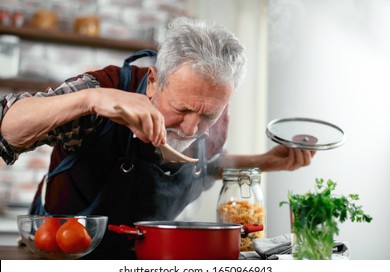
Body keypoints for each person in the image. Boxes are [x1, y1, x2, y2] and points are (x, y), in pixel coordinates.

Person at [0, 17, 315, 258]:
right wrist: (89, 101)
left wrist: (265, 161)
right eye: (182, 109)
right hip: (60, 257)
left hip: (146, 260)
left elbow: (201, 165)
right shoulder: (103, 89)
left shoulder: (215, 122)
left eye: (209, 115)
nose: (192, 129)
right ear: (153, 82)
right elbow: (6, 126)